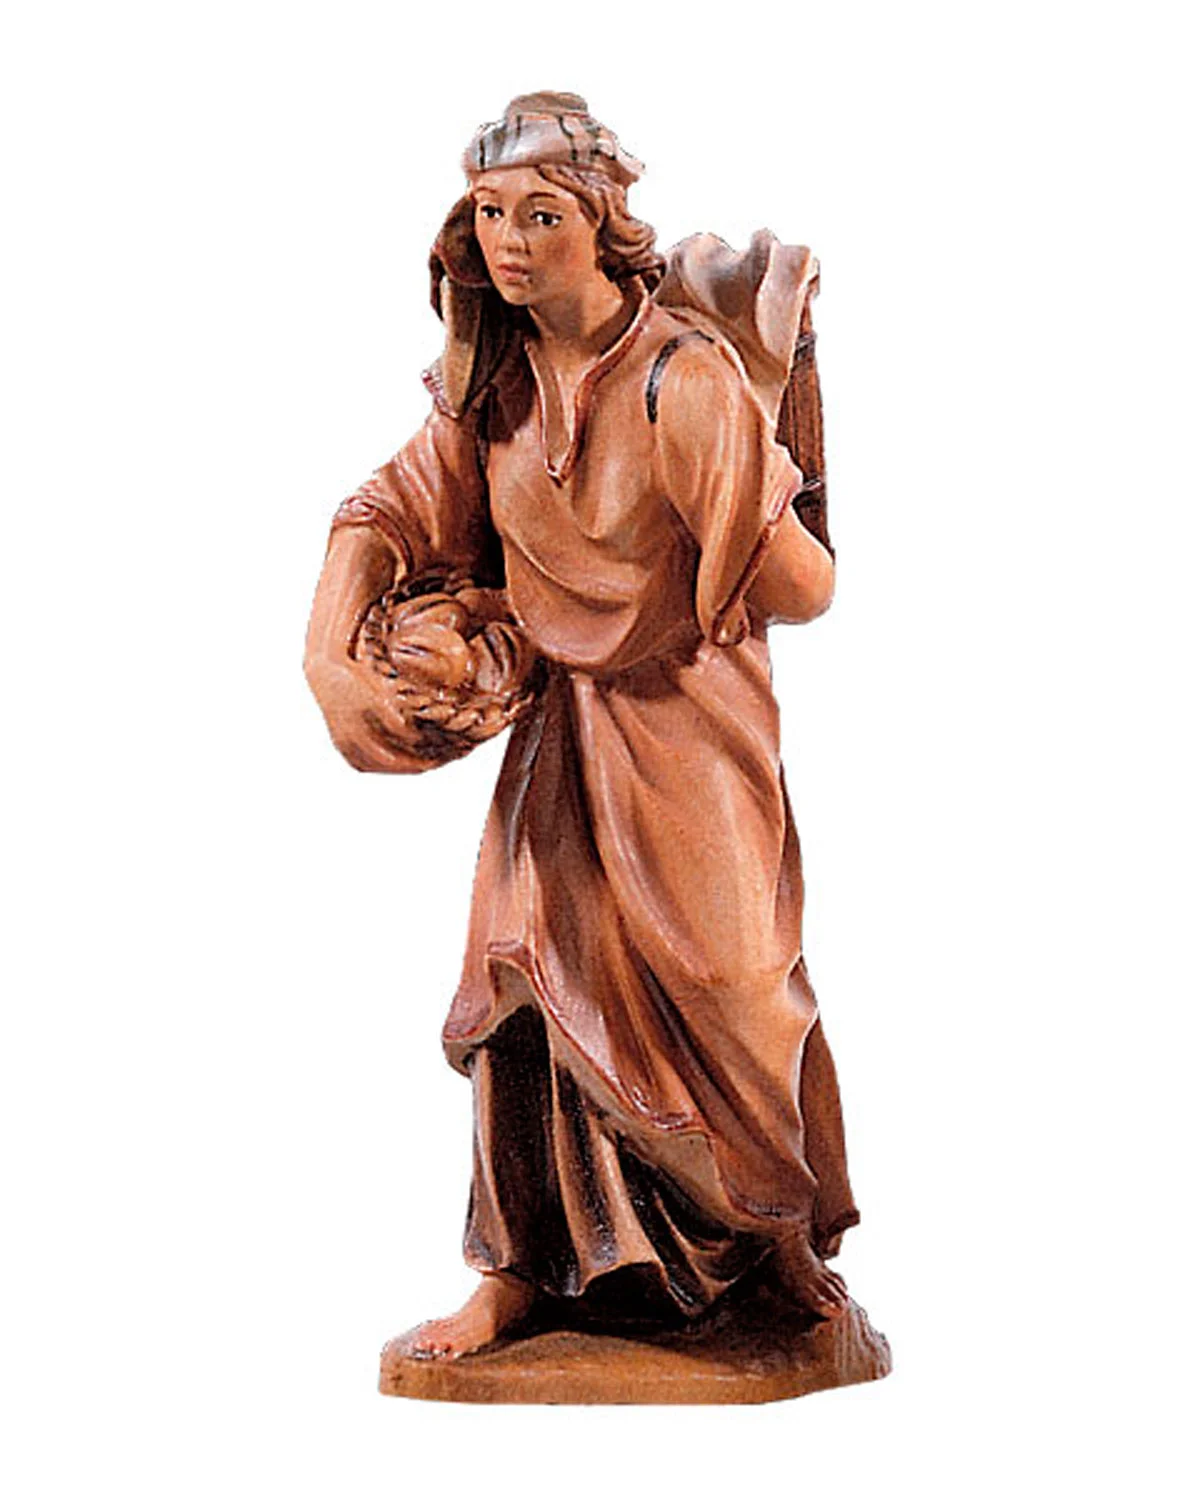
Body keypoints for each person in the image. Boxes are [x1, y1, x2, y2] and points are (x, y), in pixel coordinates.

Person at [305, 93, 859, 1360]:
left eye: (542, 215)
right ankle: (516, 1276)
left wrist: (747, 460)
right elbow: (391, 508)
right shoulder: (492, 383)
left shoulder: (681, 378)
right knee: (527, 992)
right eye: (490, 213)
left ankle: (772, 1246)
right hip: (562, 736)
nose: (510, 242)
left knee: (732, 987)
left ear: (604, 227)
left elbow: (808, 590)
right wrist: (329, 653)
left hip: (691, 727)